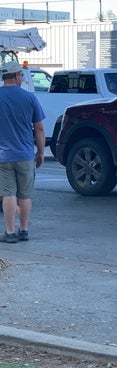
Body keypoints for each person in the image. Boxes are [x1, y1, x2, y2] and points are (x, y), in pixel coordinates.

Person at [0, 61, 45, 243]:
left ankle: (9, 232)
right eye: (21, 75)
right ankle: (24, 230)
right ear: (17, 75)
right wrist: (40, 152)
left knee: (8, 193)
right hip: (25, 154)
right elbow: (39, 128)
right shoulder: (30, 97)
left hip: (3, 155)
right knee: (24, 195)